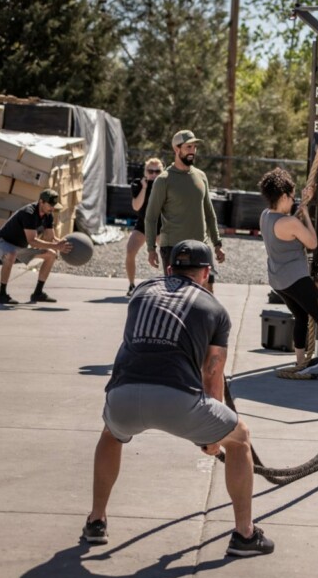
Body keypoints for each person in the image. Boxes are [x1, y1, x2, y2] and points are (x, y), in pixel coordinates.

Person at [83, 239, 274, 557]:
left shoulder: (142, 292)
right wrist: (213, 440)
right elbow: (213, 377)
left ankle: (96, 521)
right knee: (240, 439)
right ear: (206, 273)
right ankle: (244, 535)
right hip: (177, 400)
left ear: (169, 268)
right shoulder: (214, 308)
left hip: (123, 393)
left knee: (111, 433)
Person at [258, 167, 318, 382]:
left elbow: (288, 223)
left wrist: (303, 203)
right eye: (291, 197)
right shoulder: (290, 222)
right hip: (296, 278)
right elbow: (312, 242)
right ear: (283, 196)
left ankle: (300, 363)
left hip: (278, 280)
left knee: (300, 316)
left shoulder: (265, 217)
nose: (293, 202)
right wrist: (307, 215)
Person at [145, 130, 225, 292]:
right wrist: (151, 249)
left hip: (201, 246)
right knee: (176, 296)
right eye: (188, 147)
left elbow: (209, 213)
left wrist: (217, 244)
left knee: (207, 293)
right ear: (177, 149)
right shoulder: (164, 180)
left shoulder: (201, 176)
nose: (192, 151)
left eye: (194, 147)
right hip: (174, 248)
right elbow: (151, 217)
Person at [0, 189, 71, 305]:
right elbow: (32, 241)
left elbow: (51, 237)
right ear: (41, 202)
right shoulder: (29, 213)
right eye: (50, 205)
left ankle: (38, 293)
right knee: (11, 254)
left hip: (20, 247)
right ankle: (2, 294)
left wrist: (64, 244)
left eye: (54, 206)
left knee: (51, 254)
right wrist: (56, 245)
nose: (52, 208)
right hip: (3, 243)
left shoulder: (48, 215)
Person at [125, 157, 164, 296]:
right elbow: (136, 206)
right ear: (145, 172)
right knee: (130, 250)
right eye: (150, 171)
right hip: (143, 224)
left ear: (162, 171)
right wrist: (145, 187)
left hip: (161, 225)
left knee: (168, 253)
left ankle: (170, 284)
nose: (153, 174)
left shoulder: (166, 184)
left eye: (157, 171)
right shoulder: (138, 184)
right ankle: (131, 285)